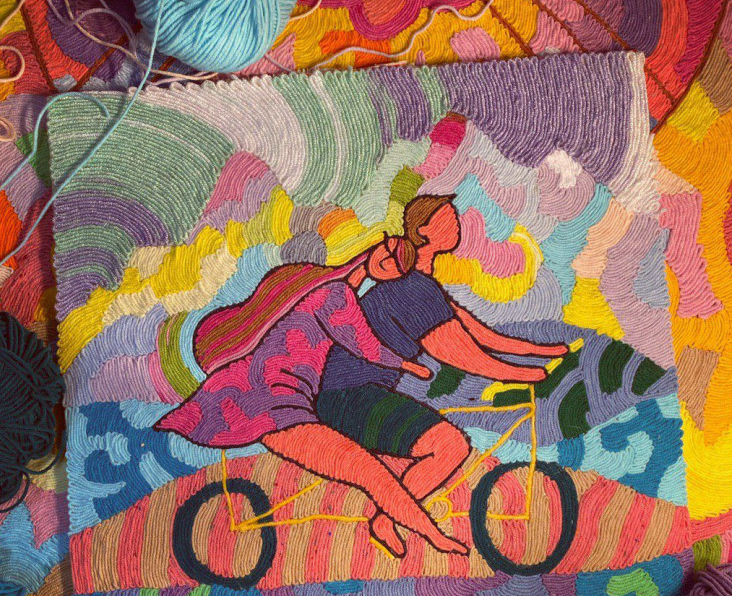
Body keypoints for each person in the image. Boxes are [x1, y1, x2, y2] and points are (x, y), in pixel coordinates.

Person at [155, 240, 467, 556]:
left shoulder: (324, 287)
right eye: (389, 249)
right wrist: (407, 365)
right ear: (375, 244)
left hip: (280, 402)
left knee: (376, 466)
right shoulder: (335, 293)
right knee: (369, 473)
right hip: (276, 405)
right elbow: (364, 345)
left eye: (399, 265)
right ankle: (433, 536)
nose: (390, 261)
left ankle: (400, 523)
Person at [316, 195, 570, 557]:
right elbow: (455, 351)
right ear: (423, 231)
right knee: (449, 446)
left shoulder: (422, 284)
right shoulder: (412, 288)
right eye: (446, 218)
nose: (456, 223)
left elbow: (481, 335)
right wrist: (522, 375)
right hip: (349, 398)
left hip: (357, 393)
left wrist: (542, 352)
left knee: (436, 441)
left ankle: (389, 513)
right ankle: (385, 519)